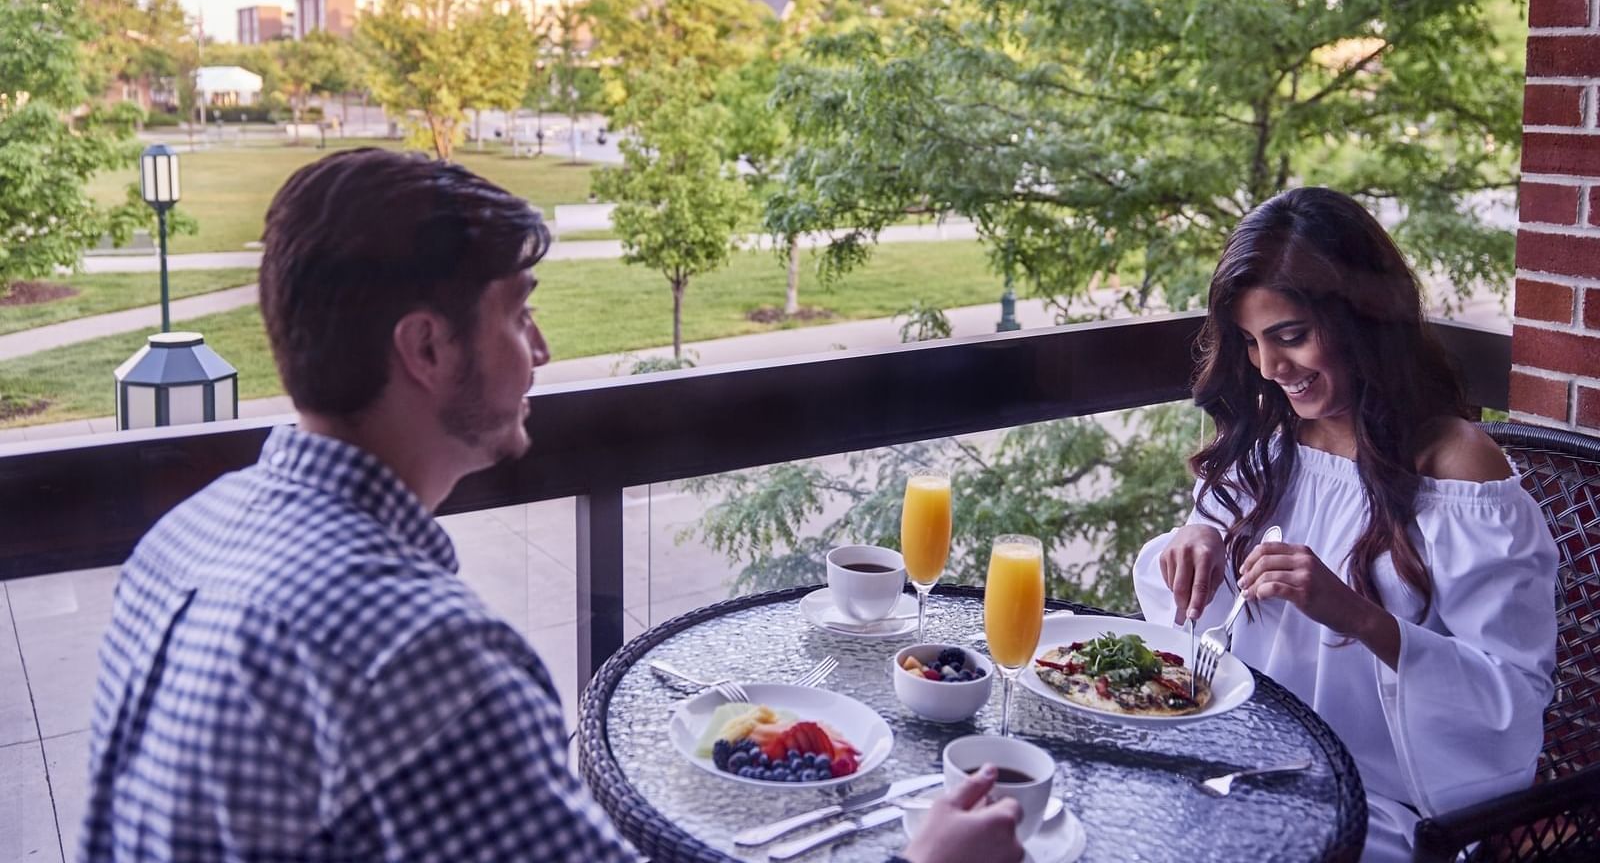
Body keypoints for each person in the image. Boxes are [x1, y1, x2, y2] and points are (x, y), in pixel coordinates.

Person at [79, 148, 1024, 863]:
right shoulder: (419, 651)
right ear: (428, 350)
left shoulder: (183, 538)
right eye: (517, 310)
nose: (541, 346)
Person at [1134, 187, 1558, 862]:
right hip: (1251, 769)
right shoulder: (1273, 445)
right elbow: (1210, 601)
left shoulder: (1459, 471)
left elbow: (1511, 699)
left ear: (1364, 319)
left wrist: (1354, 614)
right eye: (1251, 342)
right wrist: (1198, 537)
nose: (1271, 369)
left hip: (1385, 804)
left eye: (1291, 336)